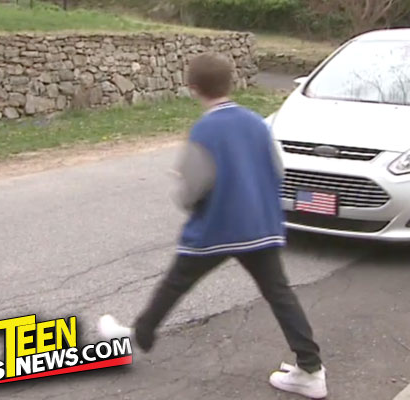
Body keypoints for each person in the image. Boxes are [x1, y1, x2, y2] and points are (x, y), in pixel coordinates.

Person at [98, 52, 327, 399]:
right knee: (280, 294)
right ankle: (311, 369)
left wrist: (185, 187)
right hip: (260, 228)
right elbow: (278, 172)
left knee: (176, 283)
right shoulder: (256, 123)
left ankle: (137, 336)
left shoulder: (205, 129)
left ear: (193, 89)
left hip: (217, 230)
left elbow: (191, 192)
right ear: (230, 83)